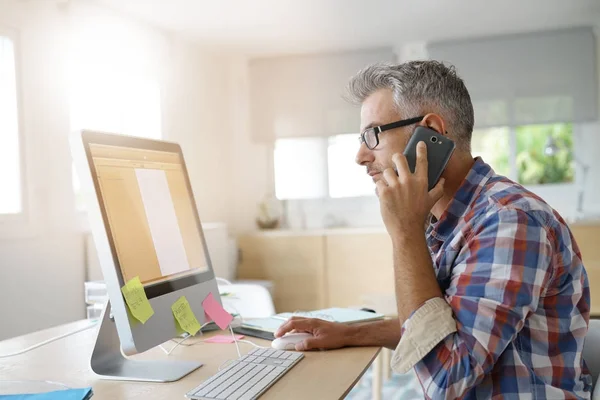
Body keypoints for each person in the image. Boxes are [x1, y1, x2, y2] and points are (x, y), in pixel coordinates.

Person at [274, 61, 592, 399]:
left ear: (431, 134)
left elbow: (446, 378)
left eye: (373, 135)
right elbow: (445, 325)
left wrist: (405, 232)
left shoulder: (508, 221)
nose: (360, 156)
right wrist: (350, 334)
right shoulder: (456, 218)